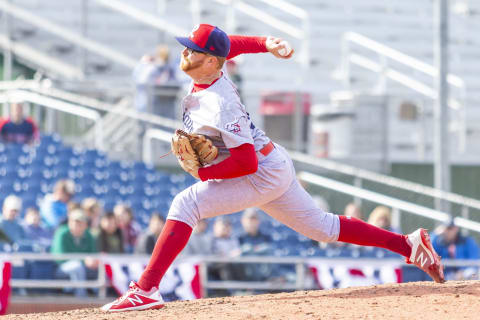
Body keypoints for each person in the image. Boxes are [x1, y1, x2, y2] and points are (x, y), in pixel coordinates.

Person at [101, 24, 444, 312]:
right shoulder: (209, 70)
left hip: (259, 170)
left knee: (185, 204)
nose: (183, 54)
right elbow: (228, 45)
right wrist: (266, 43)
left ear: (209, 62)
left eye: (191, 50)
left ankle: (145, 290)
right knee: (323, 229)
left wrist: (204, 173)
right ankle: (409, 245)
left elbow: (245, 161)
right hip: (272, 162)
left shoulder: (221, 104)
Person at [51, 209, 98, 297]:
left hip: (84, 268)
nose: (77, 225)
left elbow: (93, 254)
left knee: (103, 266)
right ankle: (81, 297)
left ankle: (103, 296)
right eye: (74, 222)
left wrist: (93, 261)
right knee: (77, 266)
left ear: (85, 224)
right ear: (69, 222)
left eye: (80, 222)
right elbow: (60, 258)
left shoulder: (88, 235)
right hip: (61, 269)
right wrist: (84, 261)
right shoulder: (62, 233)